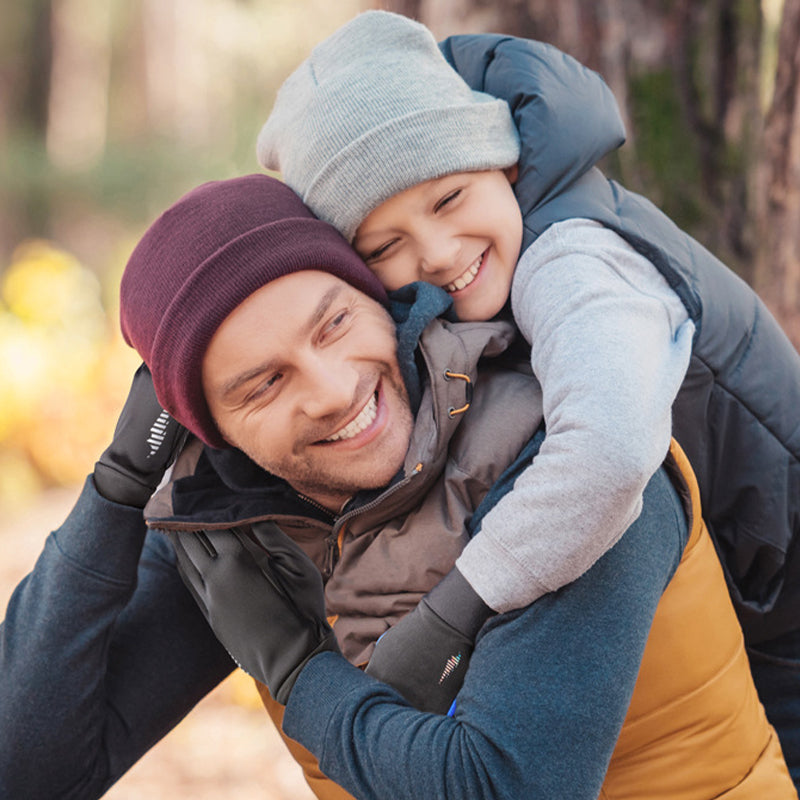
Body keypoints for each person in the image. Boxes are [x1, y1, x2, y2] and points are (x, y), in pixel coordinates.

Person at [0, 173, 794, 799]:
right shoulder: (235, 532)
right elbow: (30, 772)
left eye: (334, 322)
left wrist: (303, 677)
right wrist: (119, 486)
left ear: (379, 300)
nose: (333, 389)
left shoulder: (563, 467)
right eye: (262, 384)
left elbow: (501, 787)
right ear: (210, 430)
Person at [256, 10, 800, 778]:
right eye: (385, 246)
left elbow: (608, 455)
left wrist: (457, 608)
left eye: (448, 200)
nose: (438, 255)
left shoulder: (572, 258)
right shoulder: (515, 250)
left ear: (505, 162)